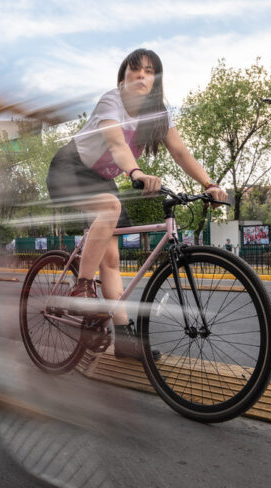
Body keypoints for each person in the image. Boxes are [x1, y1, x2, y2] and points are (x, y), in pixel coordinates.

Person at [46, 48, 228, 360]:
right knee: (110, 208)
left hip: (101, 179)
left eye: (148, 71)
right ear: (124, 76)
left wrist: (209, 184)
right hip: (69, 168)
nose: (141, 75)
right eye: (135, 70)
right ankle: (83, 288)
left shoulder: (159, 114)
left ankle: (125, 342)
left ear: (156, 80)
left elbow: (180, 151)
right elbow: (117, 144)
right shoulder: (111, 101)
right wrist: (137, 173)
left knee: (112, 259)